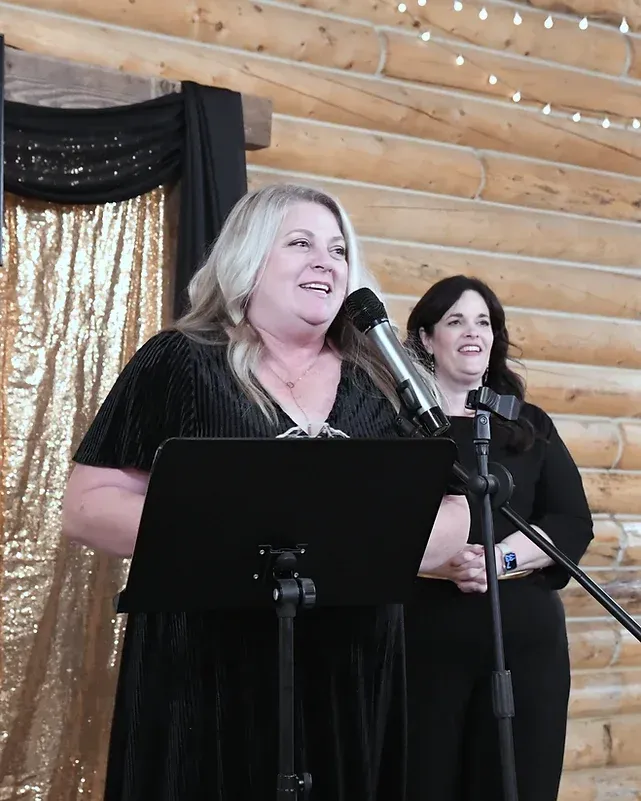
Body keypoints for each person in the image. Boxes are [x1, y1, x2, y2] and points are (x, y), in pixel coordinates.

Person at [61, 183, 471, 801]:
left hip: (348, 674)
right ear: (248, 258)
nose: (325, 262)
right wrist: (236, 538)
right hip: (205, 674)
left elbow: (453, 511)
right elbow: (87, 505)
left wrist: (360, 548)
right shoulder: (179, 361)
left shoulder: (384, 380)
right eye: (301, 244)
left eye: (338, 250)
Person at [403, 275, 594, 801]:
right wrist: (438, 562)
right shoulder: (397, 429)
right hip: (423, 646)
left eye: (483, 322)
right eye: (456, 321)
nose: (473, 332)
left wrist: (499, 559)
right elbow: (373, 525)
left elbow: (571, 521)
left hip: (525, 647)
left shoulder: (528, 425)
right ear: (426, 340)